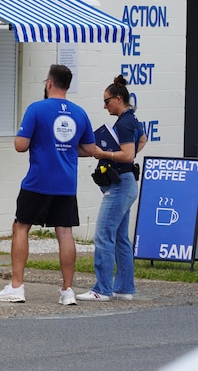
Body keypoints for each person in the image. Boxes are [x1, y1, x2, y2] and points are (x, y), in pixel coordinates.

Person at [0, 64, 101, 305]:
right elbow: (90, 149)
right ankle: (67, 290)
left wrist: (41, 142)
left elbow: (20, 145)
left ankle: (17, 286)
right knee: (65, 232)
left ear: (49, 83)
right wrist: (67, 148)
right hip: (66, 184)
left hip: (38, 181)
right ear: (67, 85)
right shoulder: (79, 113)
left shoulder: (37, 109)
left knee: (21, 227)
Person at [77, 75, 147, 302]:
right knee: (120, 238)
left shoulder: (124, 123)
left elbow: (127, 155)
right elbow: (143, 140)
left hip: (119, 186)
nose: (105, 106)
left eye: (107, 101)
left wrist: (103, 153)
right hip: (128, 184)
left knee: (103, 236)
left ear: (118, 98)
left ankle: (102, 289)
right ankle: (125, 288)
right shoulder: (132, 120)